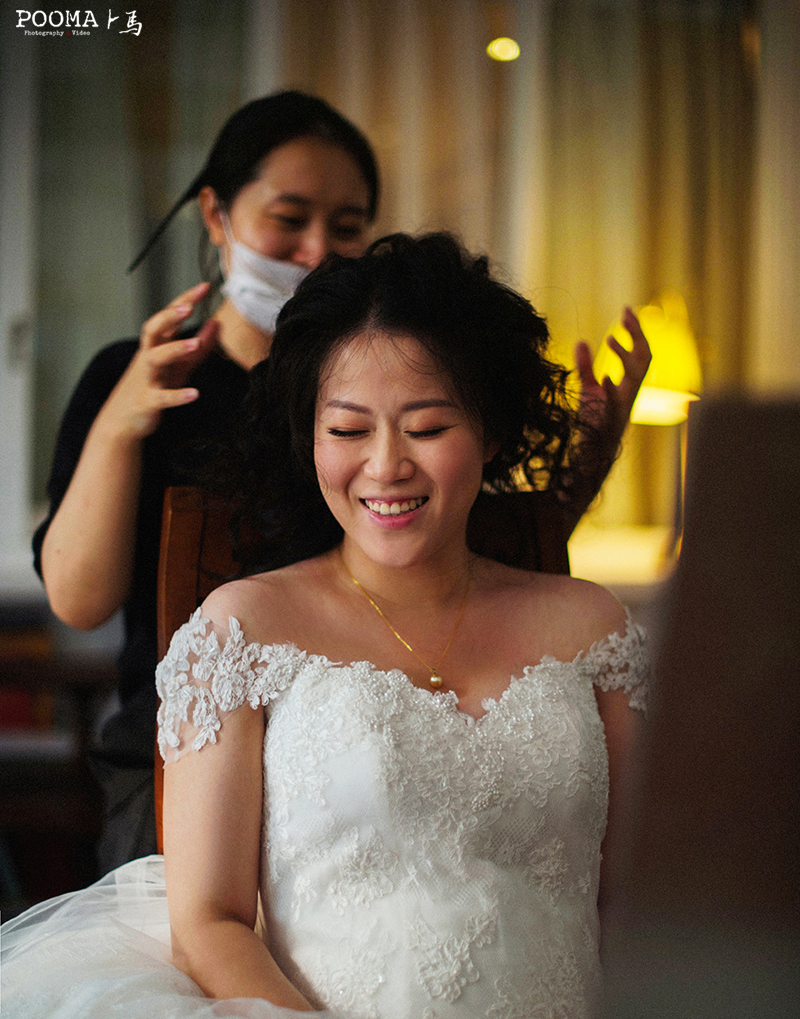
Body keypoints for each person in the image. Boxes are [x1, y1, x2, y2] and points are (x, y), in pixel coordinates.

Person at [1, 233, 648, 1019]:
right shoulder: (243, 629)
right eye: (347, 431)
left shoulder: (592, 626)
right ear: (310, 438)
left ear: (494, 431)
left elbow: (641, 899)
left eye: (427, 427)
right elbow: (210, 922)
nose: (385, 466)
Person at [33, 89, 651, 875]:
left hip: (391, 740)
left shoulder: (416, 384)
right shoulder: (142, 381)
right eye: (289, 219)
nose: (318, 249)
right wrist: (121, 422)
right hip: (185, 752)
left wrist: (584, 461)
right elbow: (80, 599)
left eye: (348, 226)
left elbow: (471, 555)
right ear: (216, 215)